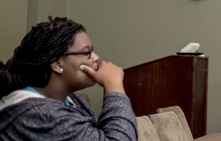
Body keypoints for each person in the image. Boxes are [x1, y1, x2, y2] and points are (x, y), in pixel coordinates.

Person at [0, 17, 137, 141]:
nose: (95, 57)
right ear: (57, 63)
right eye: (86, 52)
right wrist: (113, 84)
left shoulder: (69, 98)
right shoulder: (39, 114)